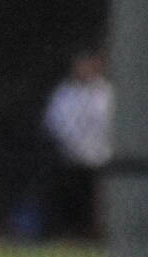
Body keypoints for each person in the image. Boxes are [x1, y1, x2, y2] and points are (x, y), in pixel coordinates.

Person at [39, 44, 111, 238]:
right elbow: (55, 125)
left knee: (97, 204)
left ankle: (95, 235)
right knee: (69, 201)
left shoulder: (106, 93)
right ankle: (68, 235)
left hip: (100, 160)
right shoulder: (65, 93)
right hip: (69, 160)